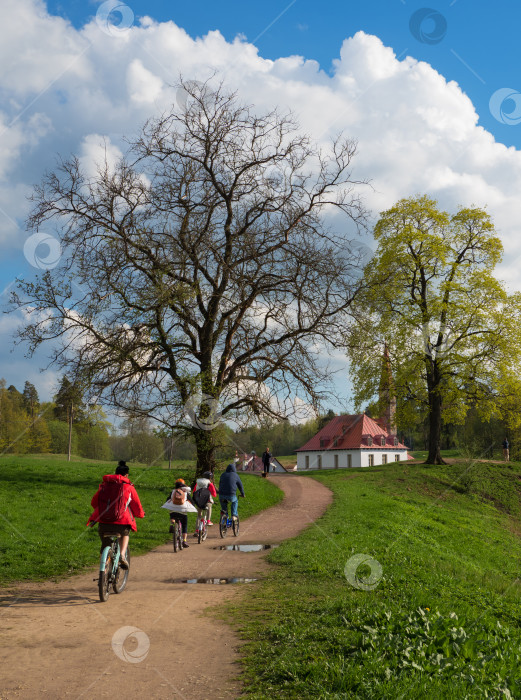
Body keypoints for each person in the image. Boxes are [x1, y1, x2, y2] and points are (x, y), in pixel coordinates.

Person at [87, 460, 145, 569]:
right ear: (126, 475)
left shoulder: (104, 486)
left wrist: (106, 510)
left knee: (105, 545)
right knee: (125, 534)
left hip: (104, 522)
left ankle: (103, 571)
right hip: (121, 522)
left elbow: (94, 502)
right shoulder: (128, 487)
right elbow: (136, 506)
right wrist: (141, 515)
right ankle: (122, 555)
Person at [162, 479, 197, 548]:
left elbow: (167, 500)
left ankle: (172, 524)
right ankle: (184, 540)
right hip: (182, 512)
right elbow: (192, 502)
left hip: (173, 511)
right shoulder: (185, 492)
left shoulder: (173, 492)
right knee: (184, 525)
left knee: (172, 514)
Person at [192, 471, 218, 536]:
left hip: (198, 501)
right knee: (209, 506)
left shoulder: (197, 482)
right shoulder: (210, 484)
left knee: (199, 516)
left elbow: (194, 491)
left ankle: (197, 530)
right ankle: (208, 520)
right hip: (207, 501)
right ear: (210, 478)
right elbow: (214, 494)